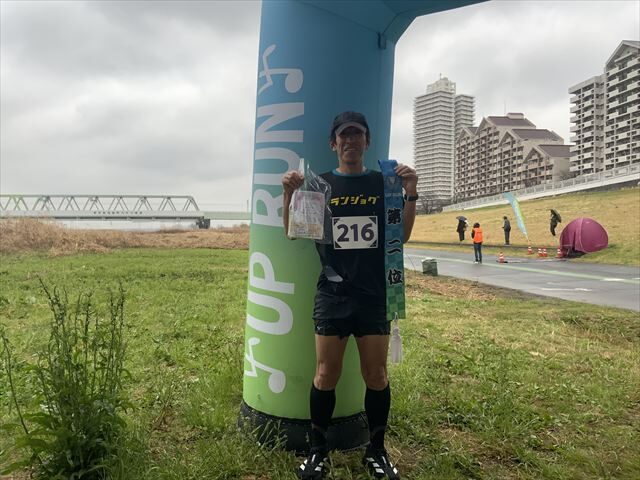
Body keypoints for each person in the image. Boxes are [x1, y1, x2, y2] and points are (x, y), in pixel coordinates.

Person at [282, 111, 417, 480]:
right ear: (334, 143)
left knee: (376, 374)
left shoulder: (384, 183)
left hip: (373, 294)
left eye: (358, 134)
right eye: (344, 135)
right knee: (325, 373)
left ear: (367, 142)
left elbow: (401, 236)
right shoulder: (319, 185)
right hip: (333, 294)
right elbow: (294, 231)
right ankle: (317, 452)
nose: (351, 141)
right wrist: (289, 193)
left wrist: (410, 192)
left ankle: (376, 450)